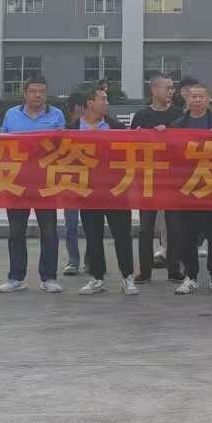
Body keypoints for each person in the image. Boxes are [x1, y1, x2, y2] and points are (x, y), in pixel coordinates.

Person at [0, 76, 66, 294]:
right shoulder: (11, 114)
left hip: (46, 183)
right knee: (16, 231)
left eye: (42, 92)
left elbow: (63, 147)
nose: (38, 95)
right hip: (17, 182)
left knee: (49, 232)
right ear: (24, 93)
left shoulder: (56, 115)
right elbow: (1, 145)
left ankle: (49, 277)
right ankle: (16, 277)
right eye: (34, 91)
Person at [73, 85, 137, 296]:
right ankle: (97, 277)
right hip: (87, 191)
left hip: (116, 190)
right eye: (103, 99)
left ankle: (127, 277)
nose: (107, 103)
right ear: (90, 103)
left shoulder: (116, 127)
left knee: (122, 235)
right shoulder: (71, 129)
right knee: (93, 236)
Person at [170, 81, 212, 295]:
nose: (196, 100)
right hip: (187, 188)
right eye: (193, 96)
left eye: (201, 96)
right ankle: (191, 277)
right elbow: (171, 152)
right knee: (186, 235)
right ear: (187, 99)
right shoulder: (178, 125)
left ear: (208, 99)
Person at [130, 73, 182, 282]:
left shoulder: (179, 115)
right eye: (167, 87)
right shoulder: (141, 116)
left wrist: (168, 134)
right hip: (148, 179)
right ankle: (145, 270)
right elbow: (131, 147)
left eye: (172, 88)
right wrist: (143, 135)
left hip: (172, 179)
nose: (171, 91)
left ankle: (174, 268)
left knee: (174, 226)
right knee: (145, 228)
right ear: (154, 90)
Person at [60, 92, 88, 277]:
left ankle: (91, 260)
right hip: (70, 181)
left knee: (91, 224)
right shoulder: (66, 130)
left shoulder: (100, 126)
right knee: (70, 225)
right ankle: (73, 260)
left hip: (91, 182)